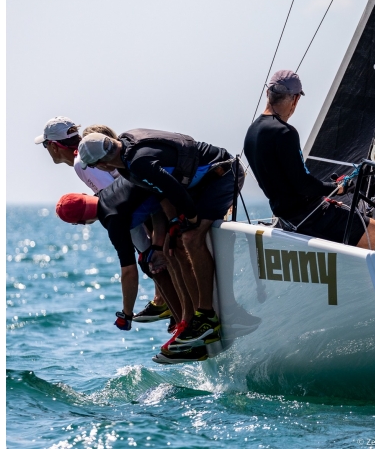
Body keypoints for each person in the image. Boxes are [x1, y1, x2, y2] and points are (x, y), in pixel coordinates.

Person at [75, 128, 243, 357]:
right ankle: (190, 321)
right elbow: (160, 194)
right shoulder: (127, 159)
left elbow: (172, 189)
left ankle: (206, 318)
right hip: (202, 182)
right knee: (172, 248)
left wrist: (189, 220)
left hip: (223, 174)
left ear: (104, 163)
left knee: (191, 238)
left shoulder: (138, 163)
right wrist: (172, 224)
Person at [55, 179, 209, 364]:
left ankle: (193, 329)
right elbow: (155, 204)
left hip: (189, 198)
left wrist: (126, 314)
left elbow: (129, 272)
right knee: (161, 254)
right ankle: (188, 325)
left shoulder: (112, 220)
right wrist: (156, 244)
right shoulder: (110, 191)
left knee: (170, 254)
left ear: (82, 222)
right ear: (86, 196)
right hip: (188, 189)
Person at [35, 117, 172, 323]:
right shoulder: (87, 155)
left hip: (148, 204)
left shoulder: (82, 164)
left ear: (54, 146)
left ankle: (170, 306)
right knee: (151, 254)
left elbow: (119, 200)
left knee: (149, 259)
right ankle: (164, 300)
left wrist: (145, 248)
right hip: (153, 199)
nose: (46, 149)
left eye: (46, 145)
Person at [242, 70, 375, 248]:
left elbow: (285, 184)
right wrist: (338, 188)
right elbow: (303, 185)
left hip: (288, 217)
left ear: (268, 93)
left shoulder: (250, 133)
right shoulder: (285, 133)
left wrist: (324, 197)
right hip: (311, 218)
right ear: (295, 99)